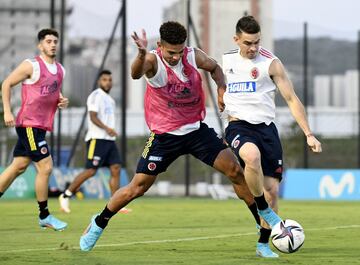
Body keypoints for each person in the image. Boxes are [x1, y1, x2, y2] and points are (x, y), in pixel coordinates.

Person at [79, 21, 282, 255]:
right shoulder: (153, 61)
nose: (176, 57)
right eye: (171, 53)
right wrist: (141, 53)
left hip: (196, 131)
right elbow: (136, 73)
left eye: (179, 51)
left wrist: (220, 89)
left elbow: (215, 68)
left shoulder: (192, 55)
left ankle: (262, 228)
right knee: (137, 188)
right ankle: (98, 223)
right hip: (165, 137)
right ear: (160, 46)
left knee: (236, 172)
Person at [221, 16, 322, 257]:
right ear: (236, 39)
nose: (253, 48)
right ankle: (263, 210)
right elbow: (210, 74)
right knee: (251, 156)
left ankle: (263, 244)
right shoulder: (225, 60)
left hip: (266, 130)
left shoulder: (271, 64)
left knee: (272, 191)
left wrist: (309, 134)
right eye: (247, 43)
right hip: (238, 127)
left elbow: (291, 99)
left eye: (256, 42)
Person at [0, 28, 69, 231]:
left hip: (40, 127)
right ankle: (44, 215)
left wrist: (61, 100)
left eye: (55, 41)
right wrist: (7, 111)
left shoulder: (61, 70)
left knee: (18, 167)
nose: (53, 44)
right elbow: (7, 83)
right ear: (40, 45)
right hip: (28, 124)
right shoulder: (31, 65)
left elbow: (54, 92)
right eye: (48, 41)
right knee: (45, 167)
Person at [58, 69, 130, 214]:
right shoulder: (95, 96)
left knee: (115, 168)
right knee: (91, 170)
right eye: (104, 80)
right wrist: (107, 128)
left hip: (109, 140)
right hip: (97, 139)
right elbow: (93, 117)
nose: (107, 82)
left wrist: (109, 131)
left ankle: (115, 203)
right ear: (99, 81)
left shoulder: (110, 99)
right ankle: (65, 195)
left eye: (109, 80)